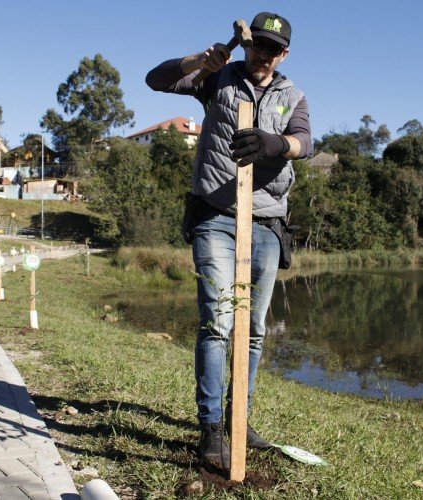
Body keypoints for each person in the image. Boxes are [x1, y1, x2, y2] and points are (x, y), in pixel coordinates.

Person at [146, 12, 311, 468]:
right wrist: (197, 60)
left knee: (254, 329)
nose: (264, 54)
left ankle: (241, 415)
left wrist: (275, 144)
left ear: (284, 54)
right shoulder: (216, 79)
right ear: (248, 44)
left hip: (267, 222)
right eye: (258, 45)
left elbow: (305, 142)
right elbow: (155, 79)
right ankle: (212, 427)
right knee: (218, 319)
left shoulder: (292, 94)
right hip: (216, 216)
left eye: (273, 49)